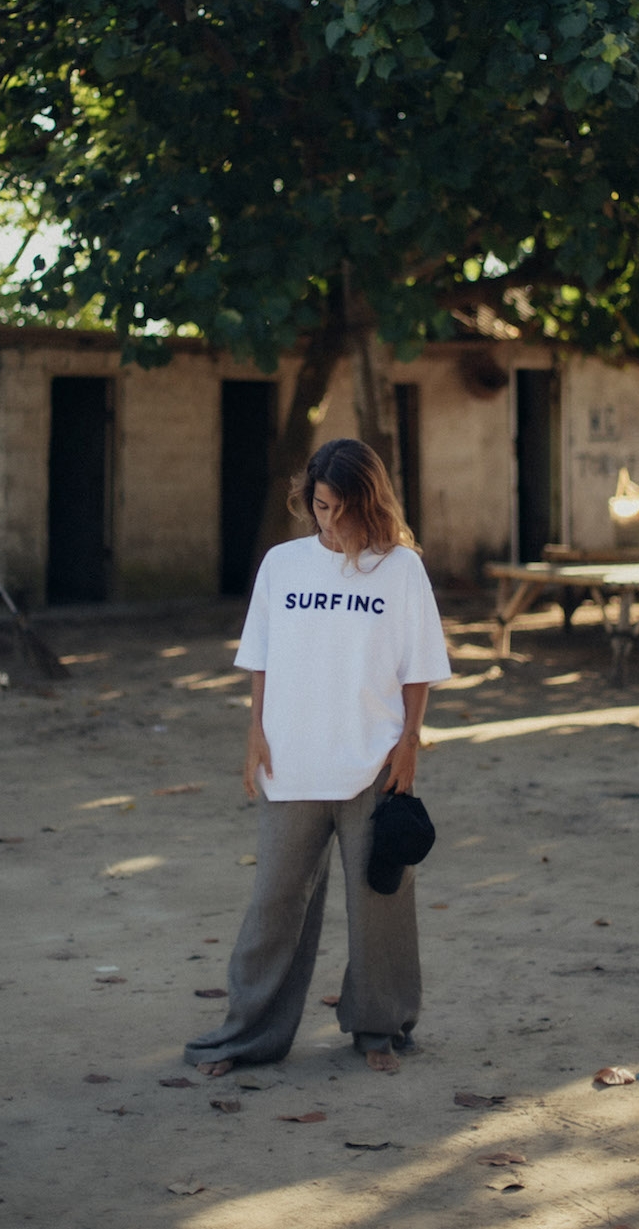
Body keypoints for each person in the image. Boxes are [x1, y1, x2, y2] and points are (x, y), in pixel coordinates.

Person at [185, 437, 451, 1077]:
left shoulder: (401, 570)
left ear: (369, 503)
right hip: (292, 760)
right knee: (274, 904)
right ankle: (248, 1034)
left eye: (341, 509)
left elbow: (419, 667)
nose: (330, 521)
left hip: (373, 763)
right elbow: (262, 656)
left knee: (381, 904)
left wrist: (409, 743)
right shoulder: (283, 564)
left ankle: (380, 1028)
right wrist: (255, 732)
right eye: (320, 507)